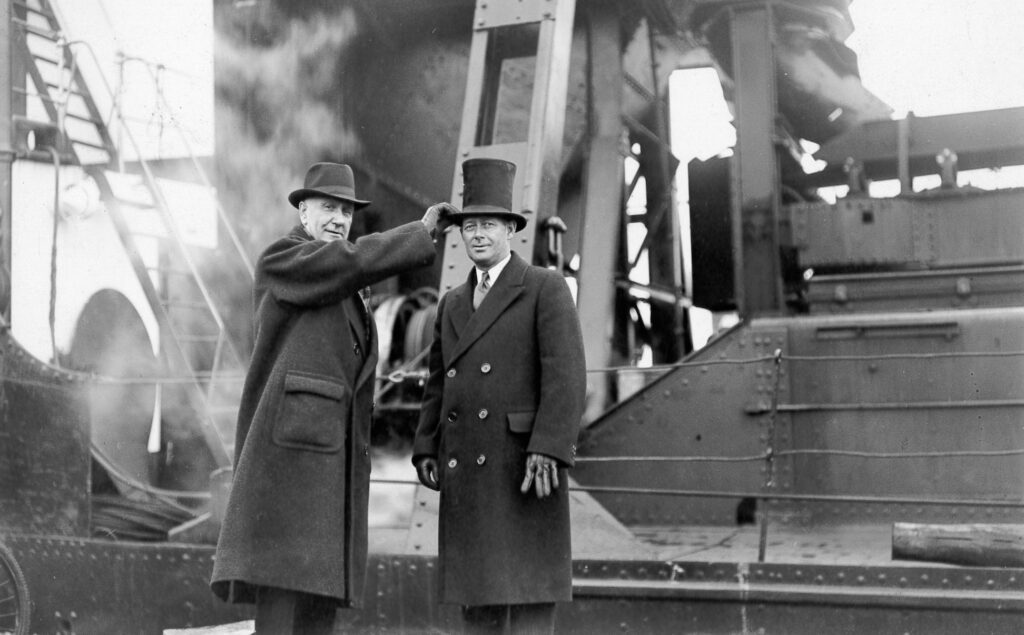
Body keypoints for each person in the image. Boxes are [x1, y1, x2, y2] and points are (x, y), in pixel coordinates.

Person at [211, 162, 453, 634]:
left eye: (346, 212)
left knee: (316, 608)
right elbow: (350, 262)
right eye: (328, 208)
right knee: (283, 605)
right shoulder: (284, 259)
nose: (339, 220)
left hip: (325, 472)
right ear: (303, 211)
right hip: (289, 474)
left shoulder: (345, 285)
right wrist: (420, 231)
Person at [412, 158, 586, 634]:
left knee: (528, 596)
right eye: (469, 226)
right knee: (478, 601)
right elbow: (437, 383)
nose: (478, 235)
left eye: (488, 224)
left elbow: (566, 377)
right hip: (468, 470)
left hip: (524, 468)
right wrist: (426, 445)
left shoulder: (545, 288)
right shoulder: (451, 303)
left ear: (510, 229)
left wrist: (549, 447)